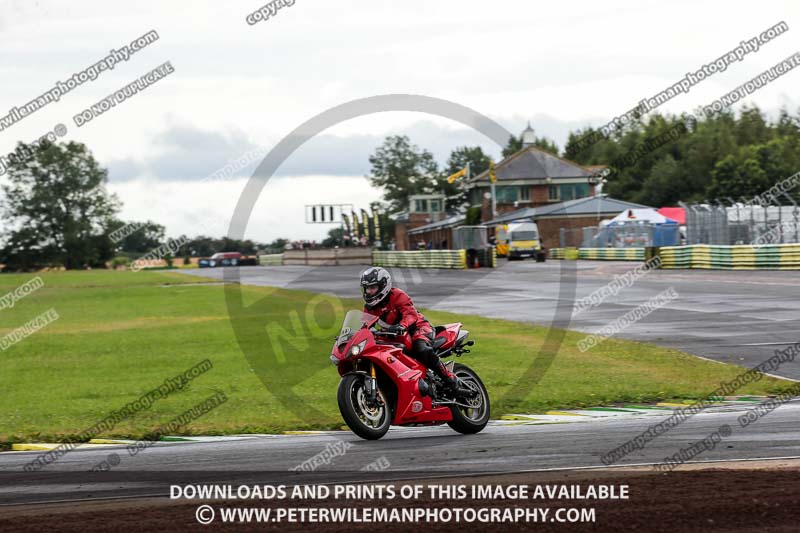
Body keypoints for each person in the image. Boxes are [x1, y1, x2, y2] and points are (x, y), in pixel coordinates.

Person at [359, 266, 458, 389]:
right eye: (367, 288)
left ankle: (448, 377)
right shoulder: (369, 307)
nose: (369, 292)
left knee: (421, 348)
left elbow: (410, 314)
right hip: (395, 335)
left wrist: (402, 325)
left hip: (418, 327)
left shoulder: (397, 295)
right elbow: (364, 325)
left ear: (383, 286)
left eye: (372, 287)